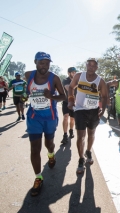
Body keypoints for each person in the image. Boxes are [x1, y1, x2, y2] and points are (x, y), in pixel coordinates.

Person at [25, 51, 66, 196]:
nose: (44, 66)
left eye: (47, 63)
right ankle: (38, 177)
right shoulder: (27, 75)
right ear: (35, 62)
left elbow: (63, 96)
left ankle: (51, 154)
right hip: (34, 117)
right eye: (41, 63)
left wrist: (52, 96)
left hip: (50, 117)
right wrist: (25, 95)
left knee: (49, 144)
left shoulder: (54, 78)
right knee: (35, 149)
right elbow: (26, 92)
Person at [68, 58, 108, 174]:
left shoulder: (100, 81)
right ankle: (81, 159)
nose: (91, 67)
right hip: (80, 109)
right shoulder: (79, 76)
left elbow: (105, 96)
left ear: (97, 68)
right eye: (89, 65)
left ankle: (89, 151)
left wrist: (103, 109)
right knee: (80, 136)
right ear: (86, 65)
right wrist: (71, 100)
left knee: (91, 134)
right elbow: (71, 87)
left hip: (93, 111)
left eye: (93, 65)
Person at [61, 67, 78, 144]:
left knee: (72, 119)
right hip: (66, 102)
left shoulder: (78, 80)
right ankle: (65, 135)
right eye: (72, 72)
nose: (74, 73)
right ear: (69, 73)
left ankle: (71, 130)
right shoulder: (65, 80)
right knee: (65, 117)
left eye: (75, 72)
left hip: (74, 103)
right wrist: (77, 85)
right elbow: (68, 88)